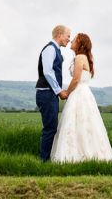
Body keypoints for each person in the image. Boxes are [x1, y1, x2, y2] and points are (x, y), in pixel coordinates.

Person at [50, 33, 112, 163]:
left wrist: (66, 93)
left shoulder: (80, 57)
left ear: (80, 44)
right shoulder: (81, 57)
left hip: (79, 93)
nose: (71, 41)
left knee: (78, 122)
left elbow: (76, 79)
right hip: (83, 93)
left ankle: (76, 155)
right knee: (81, 123)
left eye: (74, 40)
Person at [35, 24, 71, 162]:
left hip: (50, 94)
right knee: (50, 128)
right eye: (68, 36)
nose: (69, 39)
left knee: (51, 127)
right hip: (47, 93)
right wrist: (59, 91)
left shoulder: (56, 49)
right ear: (60, 34)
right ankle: (44, 161)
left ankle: (46, 158)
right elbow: (48, 72)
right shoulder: (50, 49)